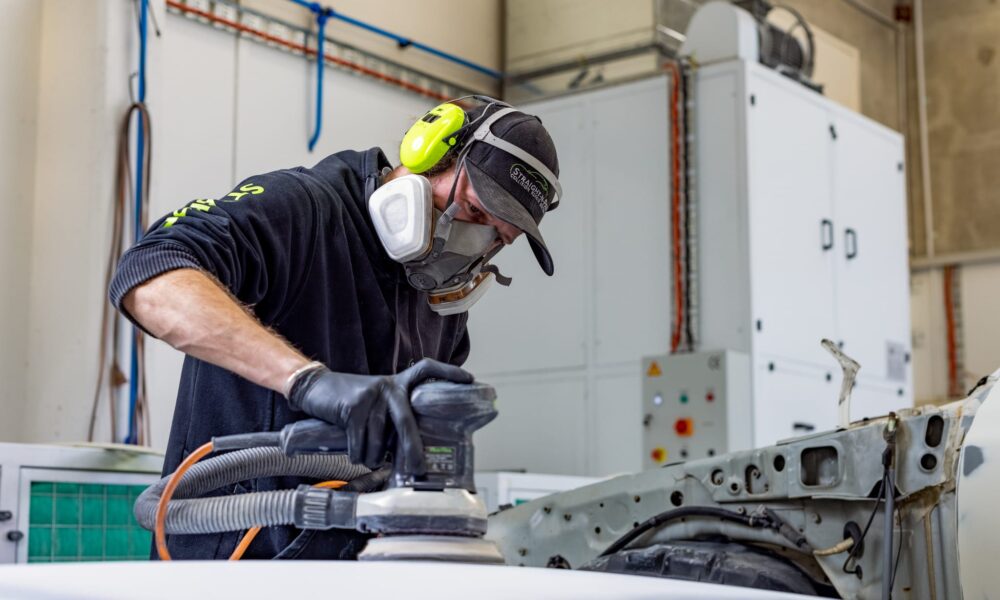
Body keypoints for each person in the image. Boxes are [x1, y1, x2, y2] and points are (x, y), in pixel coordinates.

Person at [109, 96, 562, 559]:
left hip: (348, 576)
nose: (475, 240)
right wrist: (305, 381)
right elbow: (151, 275)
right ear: (429, 149)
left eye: (497, 237)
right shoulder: (303, 209)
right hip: (228, 571)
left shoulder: (440, 306)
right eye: (474, 209)